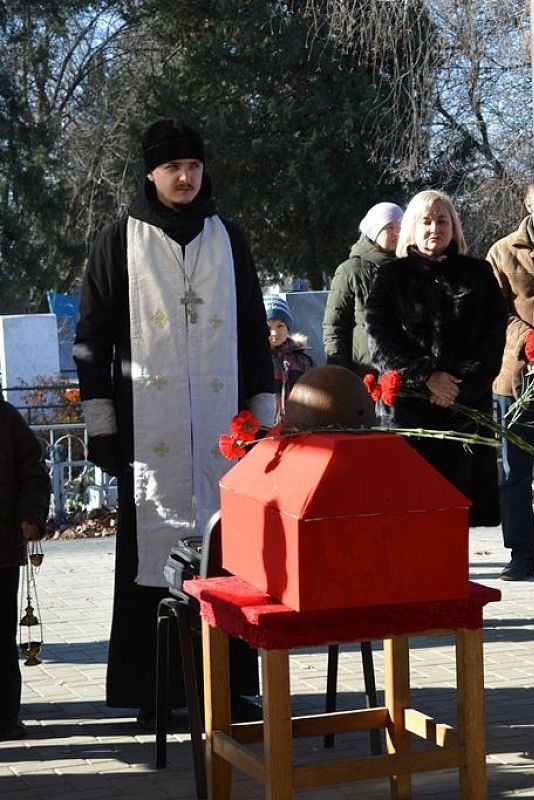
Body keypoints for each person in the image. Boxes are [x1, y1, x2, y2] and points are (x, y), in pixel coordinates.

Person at [73, 118, 274, 726]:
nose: (184, 177)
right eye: (171, 168)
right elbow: (91, 338)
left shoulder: (228, 239)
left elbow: (252, 333)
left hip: (223, 429)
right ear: (151, 174)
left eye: (192, 166)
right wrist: (103, 424)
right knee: (151, 554)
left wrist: (261, 420)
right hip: (145, 430)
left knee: (227, 551)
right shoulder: (118, 241)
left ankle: (231, 685)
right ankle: (156, 688)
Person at [365, 190, 506, 510]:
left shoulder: (479, 274)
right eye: (425, 221)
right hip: (410, 412)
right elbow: (378, 334)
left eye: (442, 221)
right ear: (412, 227)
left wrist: (457, 383)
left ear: (454, 227)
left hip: (465, 410)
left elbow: (494, 333)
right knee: (410, 508)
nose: (434, 228)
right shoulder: (390, 276)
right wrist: (426, 375)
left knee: (458, 512)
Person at [488, 183, 534, 581]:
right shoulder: (503, 252)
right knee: (515, 470)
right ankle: (521, 552)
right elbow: (496, 314)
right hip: (516, 377)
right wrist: (531, 341)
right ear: (527, 202)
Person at [0, 400, 50, 741]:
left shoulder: (4, 417)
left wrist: (31, 516)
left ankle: (4, 716)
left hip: (0, 548)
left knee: (0, 637)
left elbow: (32, 470)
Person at [323, 202, 404, 377]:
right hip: (365, 375)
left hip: (405, 375)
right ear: (374, 230)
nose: (397, 232)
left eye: (401, 226)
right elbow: (335, 326)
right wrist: (339, 373)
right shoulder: (350, 270)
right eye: (389, 227)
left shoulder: (409, 268)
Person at [264, 294, 315, 420]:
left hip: (296, 420)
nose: (274, 333)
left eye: (280, 326)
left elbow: (313, 391)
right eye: (268, 327)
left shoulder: (301, 359)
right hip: (263, 424)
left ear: (288, 328)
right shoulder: (257, 358)